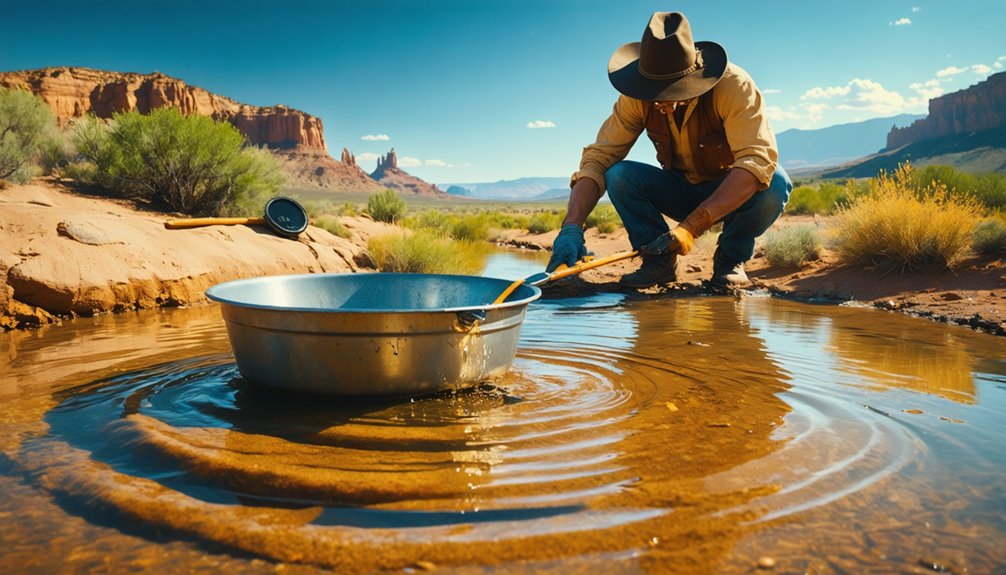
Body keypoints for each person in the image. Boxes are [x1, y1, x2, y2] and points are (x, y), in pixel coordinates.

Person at [547, 11, 792, 289]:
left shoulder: (734, 85)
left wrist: (692, 226)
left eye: (674, 91)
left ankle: (730, 260)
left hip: (729, 194)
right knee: (619, 175)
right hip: (679, 188)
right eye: (654, 91)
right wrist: (571, 226)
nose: (663, 102)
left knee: (776, 182)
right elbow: (599, 159)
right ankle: (658, 263)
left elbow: (755, 161)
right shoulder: (635, 97)